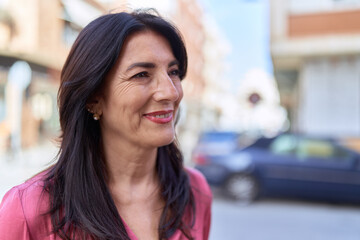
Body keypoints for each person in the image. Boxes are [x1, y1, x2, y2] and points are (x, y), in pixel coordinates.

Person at [0, 9, 212, 240]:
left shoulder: (195, 191)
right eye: (142, 74)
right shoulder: (28, 210)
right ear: (93, 98)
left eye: (173, 72)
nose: (171, 91)